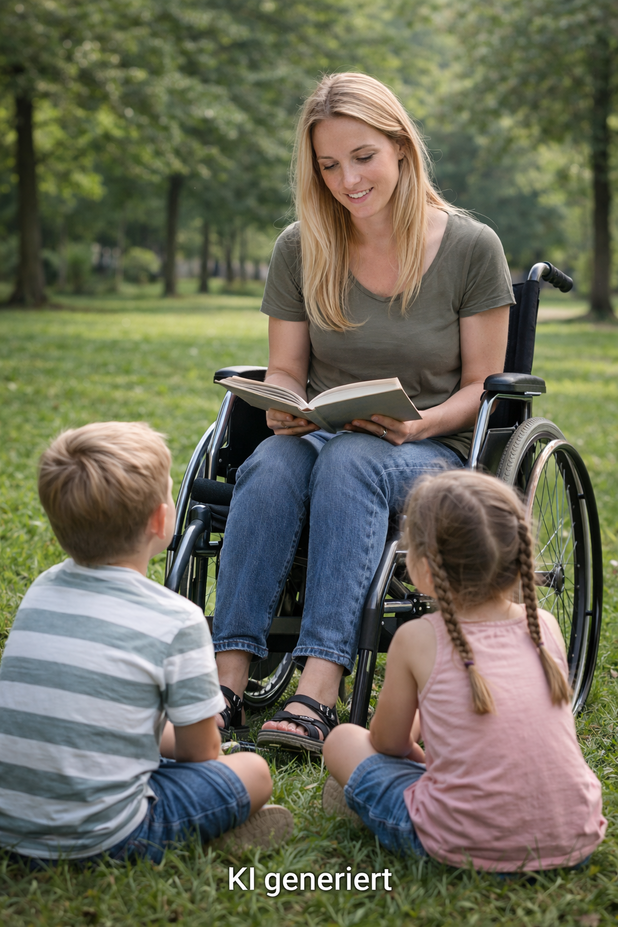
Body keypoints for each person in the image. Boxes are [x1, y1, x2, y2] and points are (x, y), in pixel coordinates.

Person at [212, 72, 515, 753]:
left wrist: (418, 423)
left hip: (434, 451)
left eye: (363, 156)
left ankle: (318, 688)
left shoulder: (471, 247)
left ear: (401, 147)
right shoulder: (302, 245)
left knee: (353, 460)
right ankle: (224, 681)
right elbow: (287, 366)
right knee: (270, 462)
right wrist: (287, 404)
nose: (347, 179)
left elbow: (482, 387)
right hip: (326, 435)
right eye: (328, 165)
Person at [0, 422, 292, 865]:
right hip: (103, 838)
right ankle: (206, 831)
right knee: (253, 771)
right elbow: (201, 751)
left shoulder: (42, 589)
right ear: (161, 520)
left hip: (11, 825)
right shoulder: (176, 619)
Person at [322, 470, 606, 871]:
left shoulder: (417, 638)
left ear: (421, 566)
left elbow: (386, 743)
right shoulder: (545, 625)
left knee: (344, 740)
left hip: (459, 845)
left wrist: (422, 761)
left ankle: (368, 801)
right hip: (575, 839)